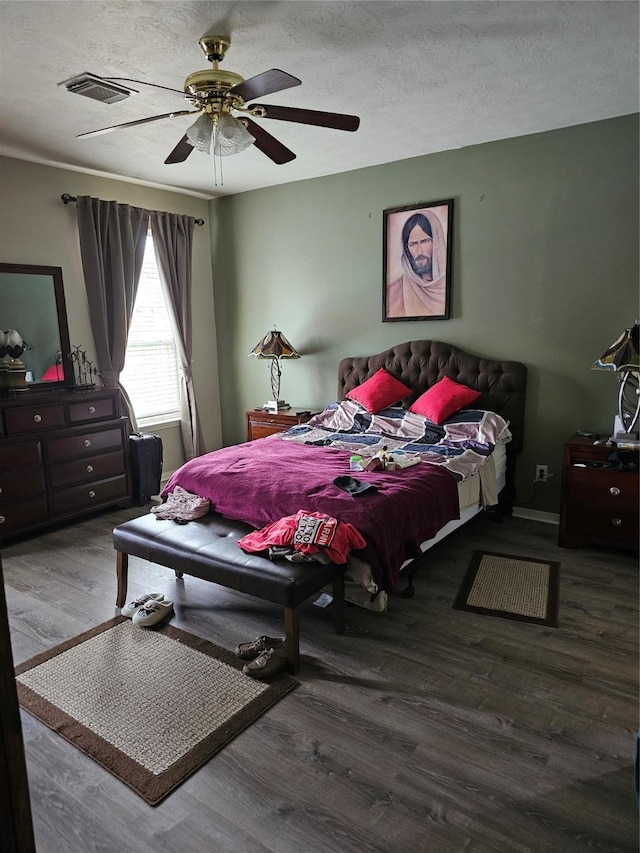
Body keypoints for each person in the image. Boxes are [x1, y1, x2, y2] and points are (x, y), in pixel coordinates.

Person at [386, 210, 448, 318]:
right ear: (406, 248)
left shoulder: (449, 284)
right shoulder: (394, 292)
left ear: (437, 241)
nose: (419, 252)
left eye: (425, 241)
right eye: (413, 244)